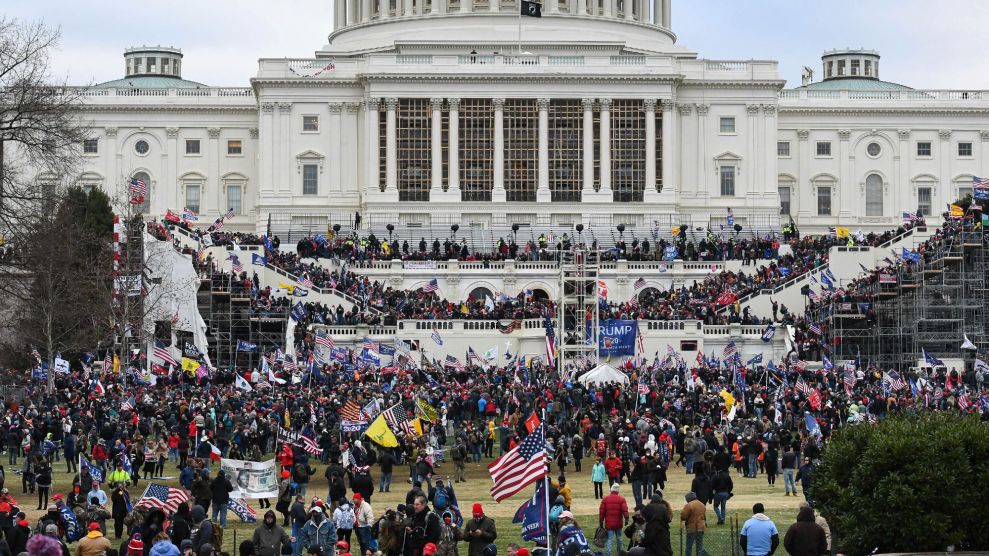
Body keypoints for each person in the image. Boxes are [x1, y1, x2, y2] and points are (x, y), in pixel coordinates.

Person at [598, 483, 629, 556]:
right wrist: (626, 520)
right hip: (618, 523)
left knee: (609, 539)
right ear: (618, 491)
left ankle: (608, 554)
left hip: (609, 523)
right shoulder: (622, 499)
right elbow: (625, 511)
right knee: (619, 538)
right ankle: (620, 552)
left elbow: (601, 512)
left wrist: (601, 522)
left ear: (611, 490)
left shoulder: (605, 499)